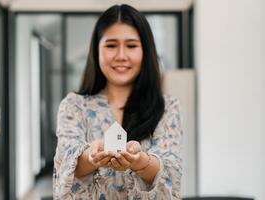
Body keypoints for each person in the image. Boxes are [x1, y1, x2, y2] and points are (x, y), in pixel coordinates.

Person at [53, 4, 183, 199]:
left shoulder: (167, 107)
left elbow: (171, 170)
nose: (121, 56)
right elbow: (66, 162)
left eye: (131, 45)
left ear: (145, 51)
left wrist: (139, 161)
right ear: (96, 51)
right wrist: (92, 155)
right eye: (111, 45)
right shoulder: (74, 105)